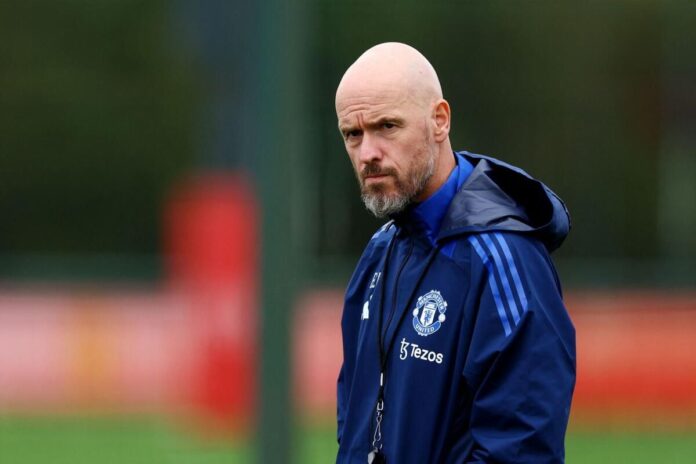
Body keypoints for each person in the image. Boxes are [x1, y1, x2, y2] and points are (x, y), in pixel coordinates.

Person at [335, 42, 575, 464]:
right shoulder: (380, 252)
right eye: (353, 134)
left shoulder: (504, 258)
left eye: (387, 126)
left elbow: (520, 451)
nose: (367, 153)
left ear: (439, 121)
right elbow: (354, 425)